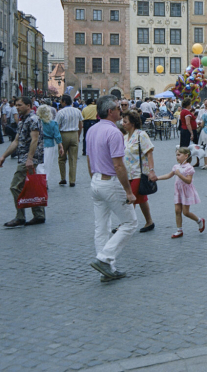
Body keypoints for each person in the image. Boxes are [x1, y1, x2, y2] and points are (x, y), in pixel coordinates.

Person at [86, 96, 138, 282]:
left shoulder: (91, 130)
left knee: (101, 226)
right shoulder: (114, 133)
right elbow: (118, 165)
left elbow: (89, 158)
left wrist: (93, 177)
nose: (121, 111)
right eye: (118, 108)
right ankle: (105, 259)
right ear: (110, 111)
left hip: (96, 181)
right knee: (130, 222)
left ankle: (107, 268)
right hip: (109, 181)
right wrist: (129, 191)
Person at [0, 97, 46, 228]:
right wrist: (4, 156)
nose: (17, 107)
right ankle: (39, 215)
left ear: (29, 106)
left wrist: (29, 159)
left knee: (15, 186)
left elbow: (35, 140)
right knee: (31, 186)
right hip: (25, 157)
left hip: (29, 158)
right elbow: (16, 141)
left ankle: (20, 217)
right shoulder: (23, 120)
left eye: (20, 105)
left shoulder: (33, 119)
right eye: (16, 105)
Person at [157, 147, 205, 238]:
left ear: (186, 156)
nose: (177, 157)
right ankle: (179, 230)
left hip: (186, 192)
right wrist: (157, 178)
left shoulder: (189, 168)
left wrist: (179, 174)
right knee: (177, 210)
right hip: (178, 191)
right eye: (176, 155)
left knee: (186, 212)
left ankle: (199, 220)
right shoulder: (176, 167)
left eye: (179, 155)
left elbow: (188, 181)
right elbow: (168, 175)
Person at [121, 111, 156, 233]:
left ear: (133, 123)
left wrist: (151, 171)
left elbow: (149, 153)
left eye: (125, 121)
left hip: (138, 173)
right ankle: (149, 221)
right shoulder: (125, 137)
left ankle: (126, 224)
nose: (123, 123)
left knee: (131, 199)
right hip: (127, 173)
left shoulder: (141, 135)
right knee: (141, 198)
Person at [55, 94, 83, 187]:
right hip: (74, 133)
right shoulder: (77, 111)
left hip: (64, 134)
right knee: (73, 158)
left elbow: (57, 126)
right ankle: (72, 180)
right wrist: (78, 135)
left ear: (64, 102)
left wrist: (58, 138)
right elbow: (80, 124)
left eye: (61, 101)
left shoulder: (60, 112)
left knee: (62, 158)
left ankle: (63, 178)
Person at [36, 105, 63, 188]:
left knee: (39, 164)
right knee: (48, 164)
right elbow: (57, 135)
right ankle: (46, 180)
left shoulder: (37, 122)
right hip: (50, 145)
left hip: (38, 144)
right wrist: (61, 146)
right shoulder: (53, 123)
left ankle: (41, 180)